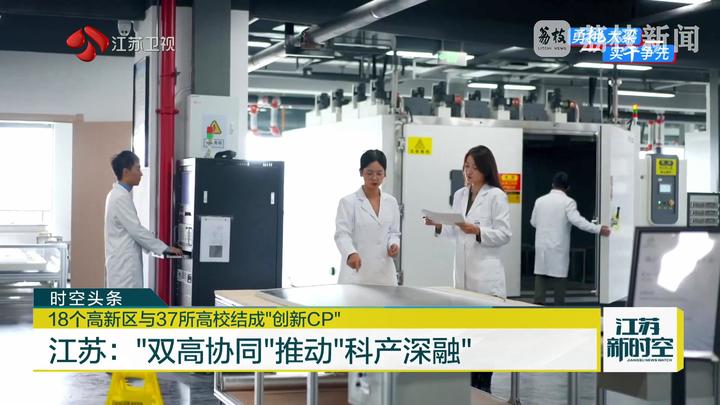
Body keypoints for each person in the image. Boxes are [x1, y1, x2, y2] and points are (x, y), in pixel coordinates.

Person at [424, 145, 511, 393]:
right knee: (467, 338)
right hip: (462, 276)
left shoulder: (496, 196)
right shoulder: (460, 195)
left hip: (486, 278)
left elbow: (505, 234)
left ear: (485, 170)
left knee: (485, 338)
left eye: (474, 167)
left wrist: (479, 231)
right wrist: (438, 225)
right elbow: (456, 232)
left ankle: (484, 389)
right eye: (466, 166)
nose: (469, 172)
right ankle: (469, 389)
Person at [530, 171, 611, 305]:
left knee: (540, 276)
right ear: (568, 187)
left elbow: (533, 222)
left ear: (552, 184)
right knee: (559, 280)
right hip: (558, 247)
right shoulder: (568, 202)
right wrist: (597, 228)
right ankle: (559, 311)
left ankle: (537, 310)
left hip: (541, 246)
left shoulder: (540, 201)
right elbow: (578, 221)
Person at [104, 150, 182, 288]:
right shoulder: (120, 197)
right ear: (126, 172)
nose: (141, 173)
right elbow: (136, 231)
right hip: (124, 269)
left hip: (122, 265)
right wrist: (164, 248)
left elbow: (134, 230)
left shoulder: (117, 195)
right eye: (137, 168)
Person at [334, 149, 401, 286]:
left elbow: (394, 232)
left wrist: (394, 244)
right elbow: (342, 235)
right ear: (361, 172)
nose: (374, 178)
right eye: (369, 173)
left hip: (384, 275)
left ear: (385, 174)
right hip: (356, 274)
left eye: (379, 173)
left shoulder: (391, 202)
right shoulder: (348, 202)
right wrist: (350, 253)